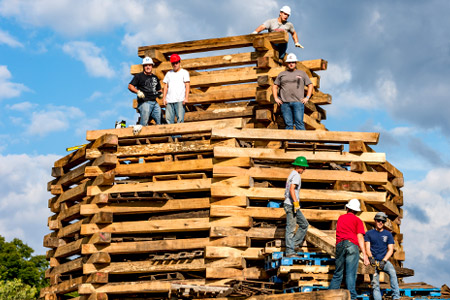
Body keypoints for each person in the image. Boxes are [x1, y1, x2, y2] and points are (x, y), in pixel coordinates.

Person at [329, 198, 370, 300]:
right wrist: (365, 255)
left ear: (347, 208)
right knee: (350, 274)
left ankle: (330, 295)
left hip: (339, 245)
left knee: (338, 273)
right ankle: (352, 297)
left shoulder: (341, 218)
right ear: (356, 211)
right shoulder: (358, 220)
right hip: (352, 245)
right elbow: (360, 237)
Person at [273, 53, 313, 130]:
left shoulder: (302, 73)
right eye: (289, 62)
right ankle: (288, 142)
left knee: (299, 123)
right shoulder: (282, 74)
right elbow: (275, 86)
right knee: (288, 125)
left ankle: (302, 141)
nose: (291, 64)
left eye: (293, 62)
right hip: (285, 103)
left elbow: (310, 85)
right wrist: (276, 98)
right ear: (287, 63)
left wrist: (307, 97)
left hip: (298, 102)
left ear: (295, 63)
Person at [365, 212, 400, 300]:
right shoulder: (369, 234)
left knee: (393, 273)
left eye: (382, 221)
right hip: (373, 262)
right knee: (375, 284)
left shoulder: (388, 234)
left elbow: (390, 249)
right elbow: (367, 248)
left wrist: (384, 260)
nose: (380, 222)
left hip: (384, 261)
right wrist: (371, 258)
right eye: (378, 220)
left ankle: (396, 297)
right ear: (375, 221)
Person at [283, 156, 309, 257]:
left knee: (304, 224)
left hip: (289, 204)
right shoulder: (296, 176)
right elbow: (291, 189)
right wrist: (295, 203)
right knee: (291, 228)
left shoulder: (291, 174)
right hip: (291, 205)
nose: (304, 169)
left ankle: (294, 245)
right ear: (299, 166)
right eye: (303, 167)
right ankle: (290, 251)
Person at [128, 56, 162, 126]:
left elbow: (159, 89)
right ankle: (142, 136)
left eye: (149, 65)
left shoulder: (155, 77)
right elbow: (130, 86)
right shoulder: (139, 76)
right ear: (143, 66)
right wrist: (138, 92)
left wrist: (160, 94)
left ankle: (160, 136)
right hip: (144, 102)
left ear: (152, 66)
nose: (148, 67)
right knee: (144, 122)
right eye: (146, 65)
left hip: (154, 102)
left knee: (160, 120)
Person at [162, 54, 190, 124]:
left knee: (180, 119)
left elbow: (187, 85)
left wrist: (186, 98)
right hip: (169, 100)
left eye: (176, 63)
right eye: (173, 63)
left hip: (180, 100)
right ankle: (170, 135)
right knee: (168, 120)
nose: (175, 65)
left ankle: (178, 135)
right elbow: (165, 86)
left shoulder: (184, 72)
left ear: (179, 62)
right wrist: (164, 98)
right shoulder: (168, 73)